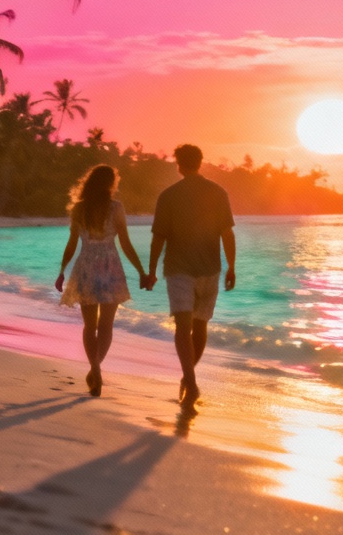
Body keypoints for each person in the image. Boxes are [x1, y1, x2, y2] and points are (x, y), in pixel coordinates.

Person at [146, 144, 235, 409]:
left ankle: (190, 379)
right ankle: (190, 380)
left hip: (179, 269)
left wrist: (151, 271)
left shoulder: (168, 196)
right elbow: (227, 233)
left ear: (178, 164)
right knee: (200, 327)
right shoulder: (218, 192)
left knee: (183, 328)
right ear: (200, 161)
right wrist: (231, 266)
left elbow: (159, 237)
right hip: (210, 268)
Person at [56, 165, 147, 396]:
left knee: (90, 325)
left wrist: (62, 270)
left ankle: (95, 368)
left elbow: (72, 244)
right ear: (110, 184)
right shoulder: (116, 208)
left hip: (86, 267)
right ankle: (95, 367)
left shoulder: (79, 209)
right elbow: (125, 244)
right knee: (106, 325)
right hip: (110, 268)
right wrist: (141, 271)